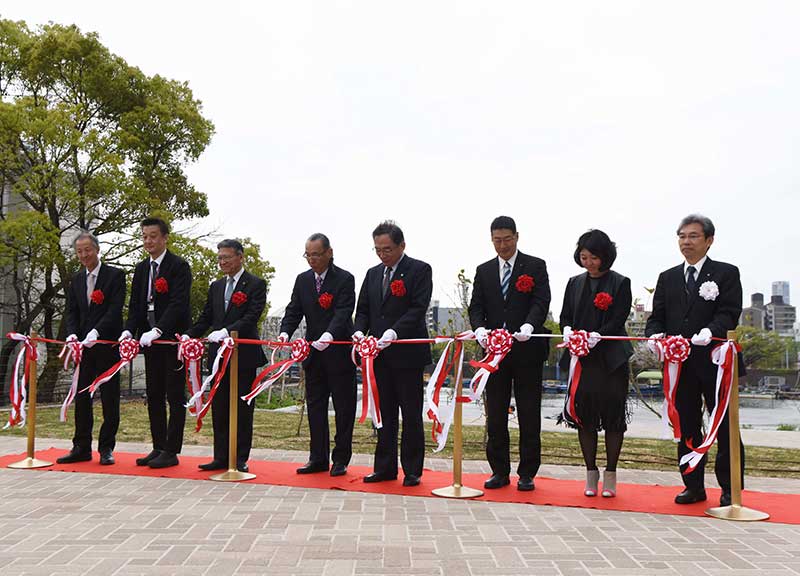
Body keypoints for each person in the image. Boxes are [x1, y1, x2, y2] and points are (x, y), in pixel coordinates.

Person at [645, 214, 744, 506]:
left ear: (709, 240)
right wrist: (653, 336)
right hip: (681, 363)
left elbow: (729, 312)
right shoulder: (668, 277)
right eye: (682, 236)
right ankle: (693, 485)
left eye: (693, 236)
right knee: (687, 424)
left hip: (716, 361)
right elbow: (657, 316)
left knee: (724, 426)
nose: (686, 242)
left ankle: (730, 488)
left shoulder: (726, 273)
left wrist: (710, 331)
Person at [468, 216, 551, 491]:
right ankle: (499, 471)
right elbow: (476, 305)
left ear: (517, 236)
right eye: (497, 240)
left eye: (507, 239)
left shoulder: (535, 266)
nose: (502, 245)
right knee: (496, 412)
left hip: (526, 349)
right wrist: (479, 329)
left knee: (529, 412)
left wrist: (530, 323)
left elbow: (542, 300)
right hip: (494, 354)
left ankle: (527, 473)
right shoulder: (484, 270)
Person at [353, 221, 432, 487]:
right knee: (383, 414)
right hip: (378, 356)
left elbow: (418, 308)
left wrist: (394, 333)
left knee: (410, 413)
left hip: (407, 353)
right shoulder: (373, 274)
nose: (382, 255)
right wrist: (359, 332)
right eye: (377, 249)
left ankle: (412, 470)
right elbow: (363, 308)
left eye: (387, 249)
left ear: (402, 246)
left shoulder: (420, 270)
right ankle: (384, 467)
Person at [558, 229, 632, 498]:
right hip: (582, 359)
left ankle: (611, 473)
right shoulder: (573, 282)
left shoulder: (621, 282)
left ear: (605, 257)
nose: (588, 262)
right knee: (584, 416)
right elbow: (566, 314)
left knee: (613, 416)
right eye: (584, 256)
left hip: (611, 358)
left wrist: (599, 336)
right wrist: (567, 330)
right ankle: (591, 473)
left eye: (594, 257)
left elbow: (619, 317)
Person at [186, 239, 267, 473]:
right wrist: (189, 335)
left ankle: (240, 457)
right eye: (220, 258)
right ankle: (220, 456)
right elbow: (206, 317)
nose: (222, 262)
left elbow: (251, 316)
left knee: (242, 408)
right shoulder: (216, 286)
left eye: (227, 257)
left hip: (243, 355)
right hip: (218, 356)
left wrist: (229, 330)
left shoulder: (255, 284)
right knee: (220, 407)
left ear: (240, 257)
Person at [279, 233, 357, 477]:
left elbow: (343, 311)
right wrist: (285, 332)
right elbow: (294, 310)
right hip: (313, 354)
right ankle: (318, 457)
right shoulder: (302, 280)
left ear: (329, 253)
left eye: (316, 254)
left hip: (339, 352)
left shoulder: (344, 278)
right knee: (315, 406)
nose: (311, 260)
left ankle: (341, 459)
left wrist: (330, 335)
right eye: (308, 255)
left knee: (344, 408)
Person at [120, 217, 192, 469]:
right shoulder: (141, 269)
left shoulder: (179, 266)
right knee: (154, 393)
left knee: (174, 394)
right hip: (149, 342)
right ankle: (158, 446)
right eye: (144, 236)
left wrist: (160, 329)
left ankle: (172, 450)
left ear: (164, 238)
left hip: (172, 341)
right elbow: (137, 305)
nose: (148, 241)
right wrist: (129, 330)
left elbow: (178, 304)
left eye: (153, 236)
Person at [57, 232, 126, 465]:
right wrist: (73, 334)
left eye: (88, 250)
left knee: (109, 399)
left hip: (107, 346)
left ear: (97, 249)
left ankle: (106, 448)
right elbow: (72, 312)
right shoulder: (76, 280)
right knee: (82, 397)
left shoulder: (115, 276)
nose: (84, 255)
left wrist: (96, 332)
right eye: (79, 251)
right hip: (84, 349)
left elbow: (115, 310)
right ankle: (81, 447)